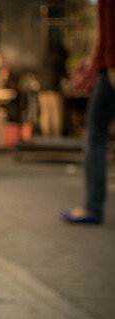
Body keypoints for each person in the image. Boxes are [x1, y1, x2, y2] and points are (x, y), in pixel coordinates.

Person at [61, 0, 115, 224]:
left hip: (110, 67)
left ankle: (93, 206)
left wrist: (109, 65)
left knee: (95, 134)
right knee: (96, 133)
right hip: (106, 65)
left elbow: (110, 29)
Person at [37, 34, 68, 137]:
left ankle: (46, 136)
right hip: (54, 90)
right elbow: (64, 76)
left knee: (45, 113)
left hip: (42, 90)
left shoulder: (45, 58)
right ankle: (56, 137)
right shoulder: (59, 59)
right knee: (56, 114)